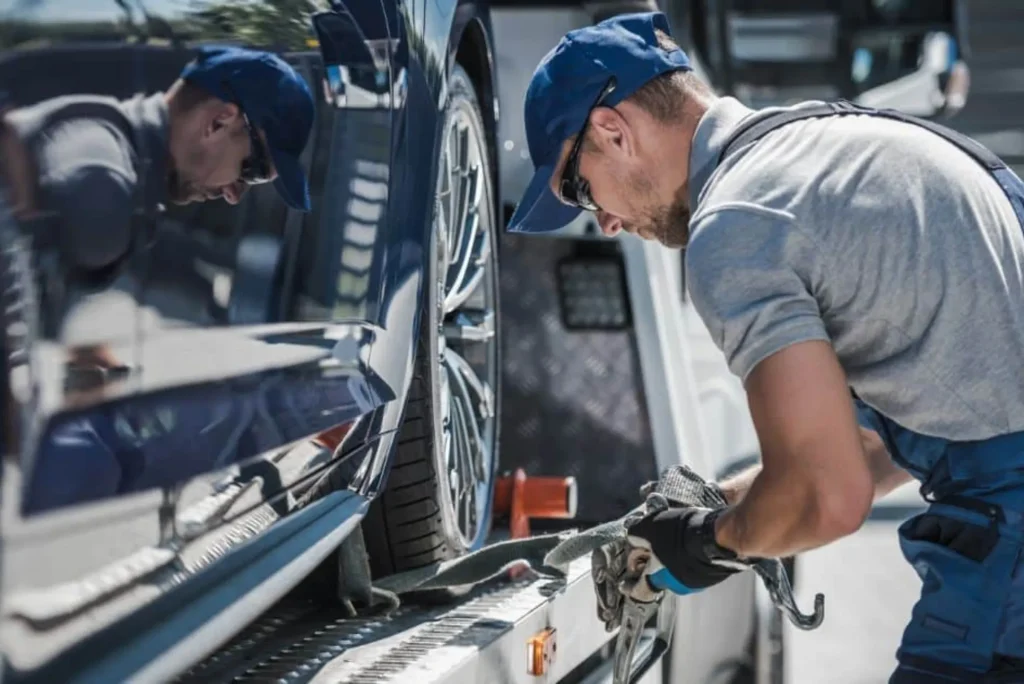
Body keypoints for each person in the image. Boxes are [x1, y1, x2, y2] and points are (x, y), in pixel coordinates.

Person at [508, 10, 1024, 684]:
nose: (603, 220)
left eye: (579, 188)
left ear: (613, 131)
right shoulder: (828, 143)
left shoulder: (736, 227)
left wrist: (701, 546)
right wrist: (717, 508)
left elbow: (828, 496)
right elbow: (890, 442)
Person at [0, 44, 314, 276]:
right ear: (218, 122)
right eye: (252, 171)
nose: (233, 195)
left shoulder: (107, 152)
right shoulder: (103, 193)